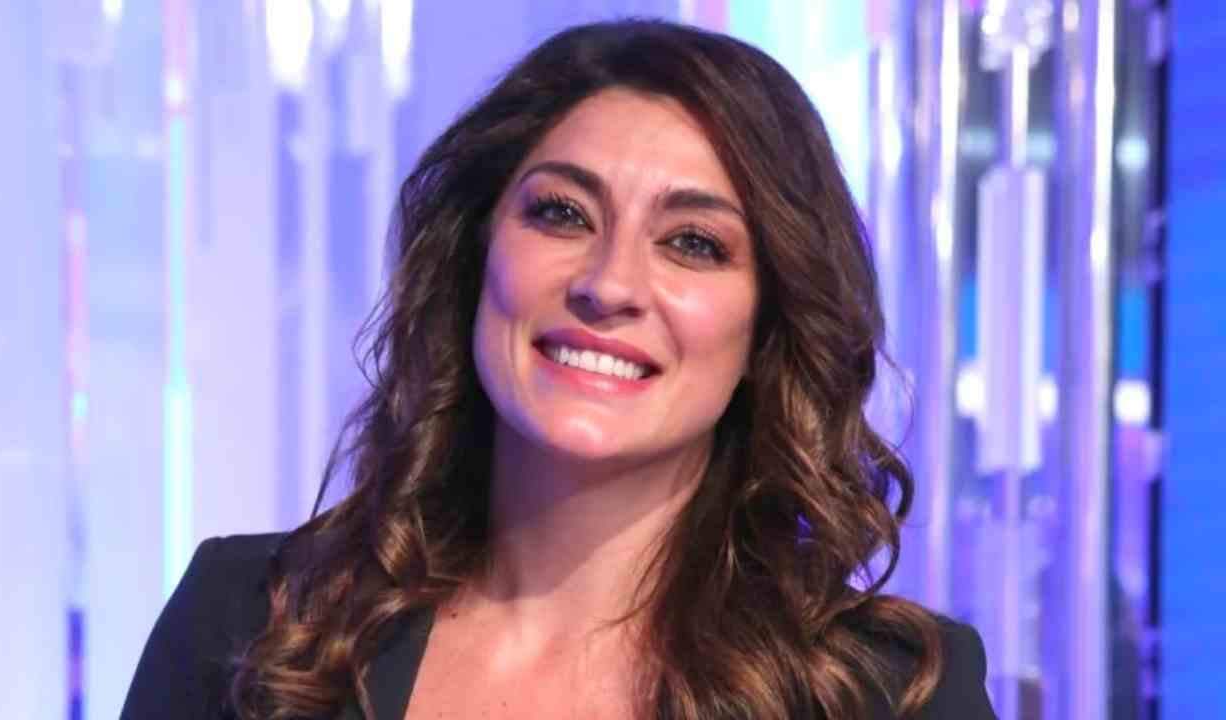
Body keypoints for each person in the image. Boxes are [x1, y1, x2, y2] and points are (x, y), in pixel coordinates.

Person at [123, 18, 996, 720]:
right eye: (563, 213)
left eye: (693, 243)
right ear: (477, 257)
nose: (608, 284)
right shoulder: (252, 624)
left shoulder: (887, 694)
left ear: (767, 330)